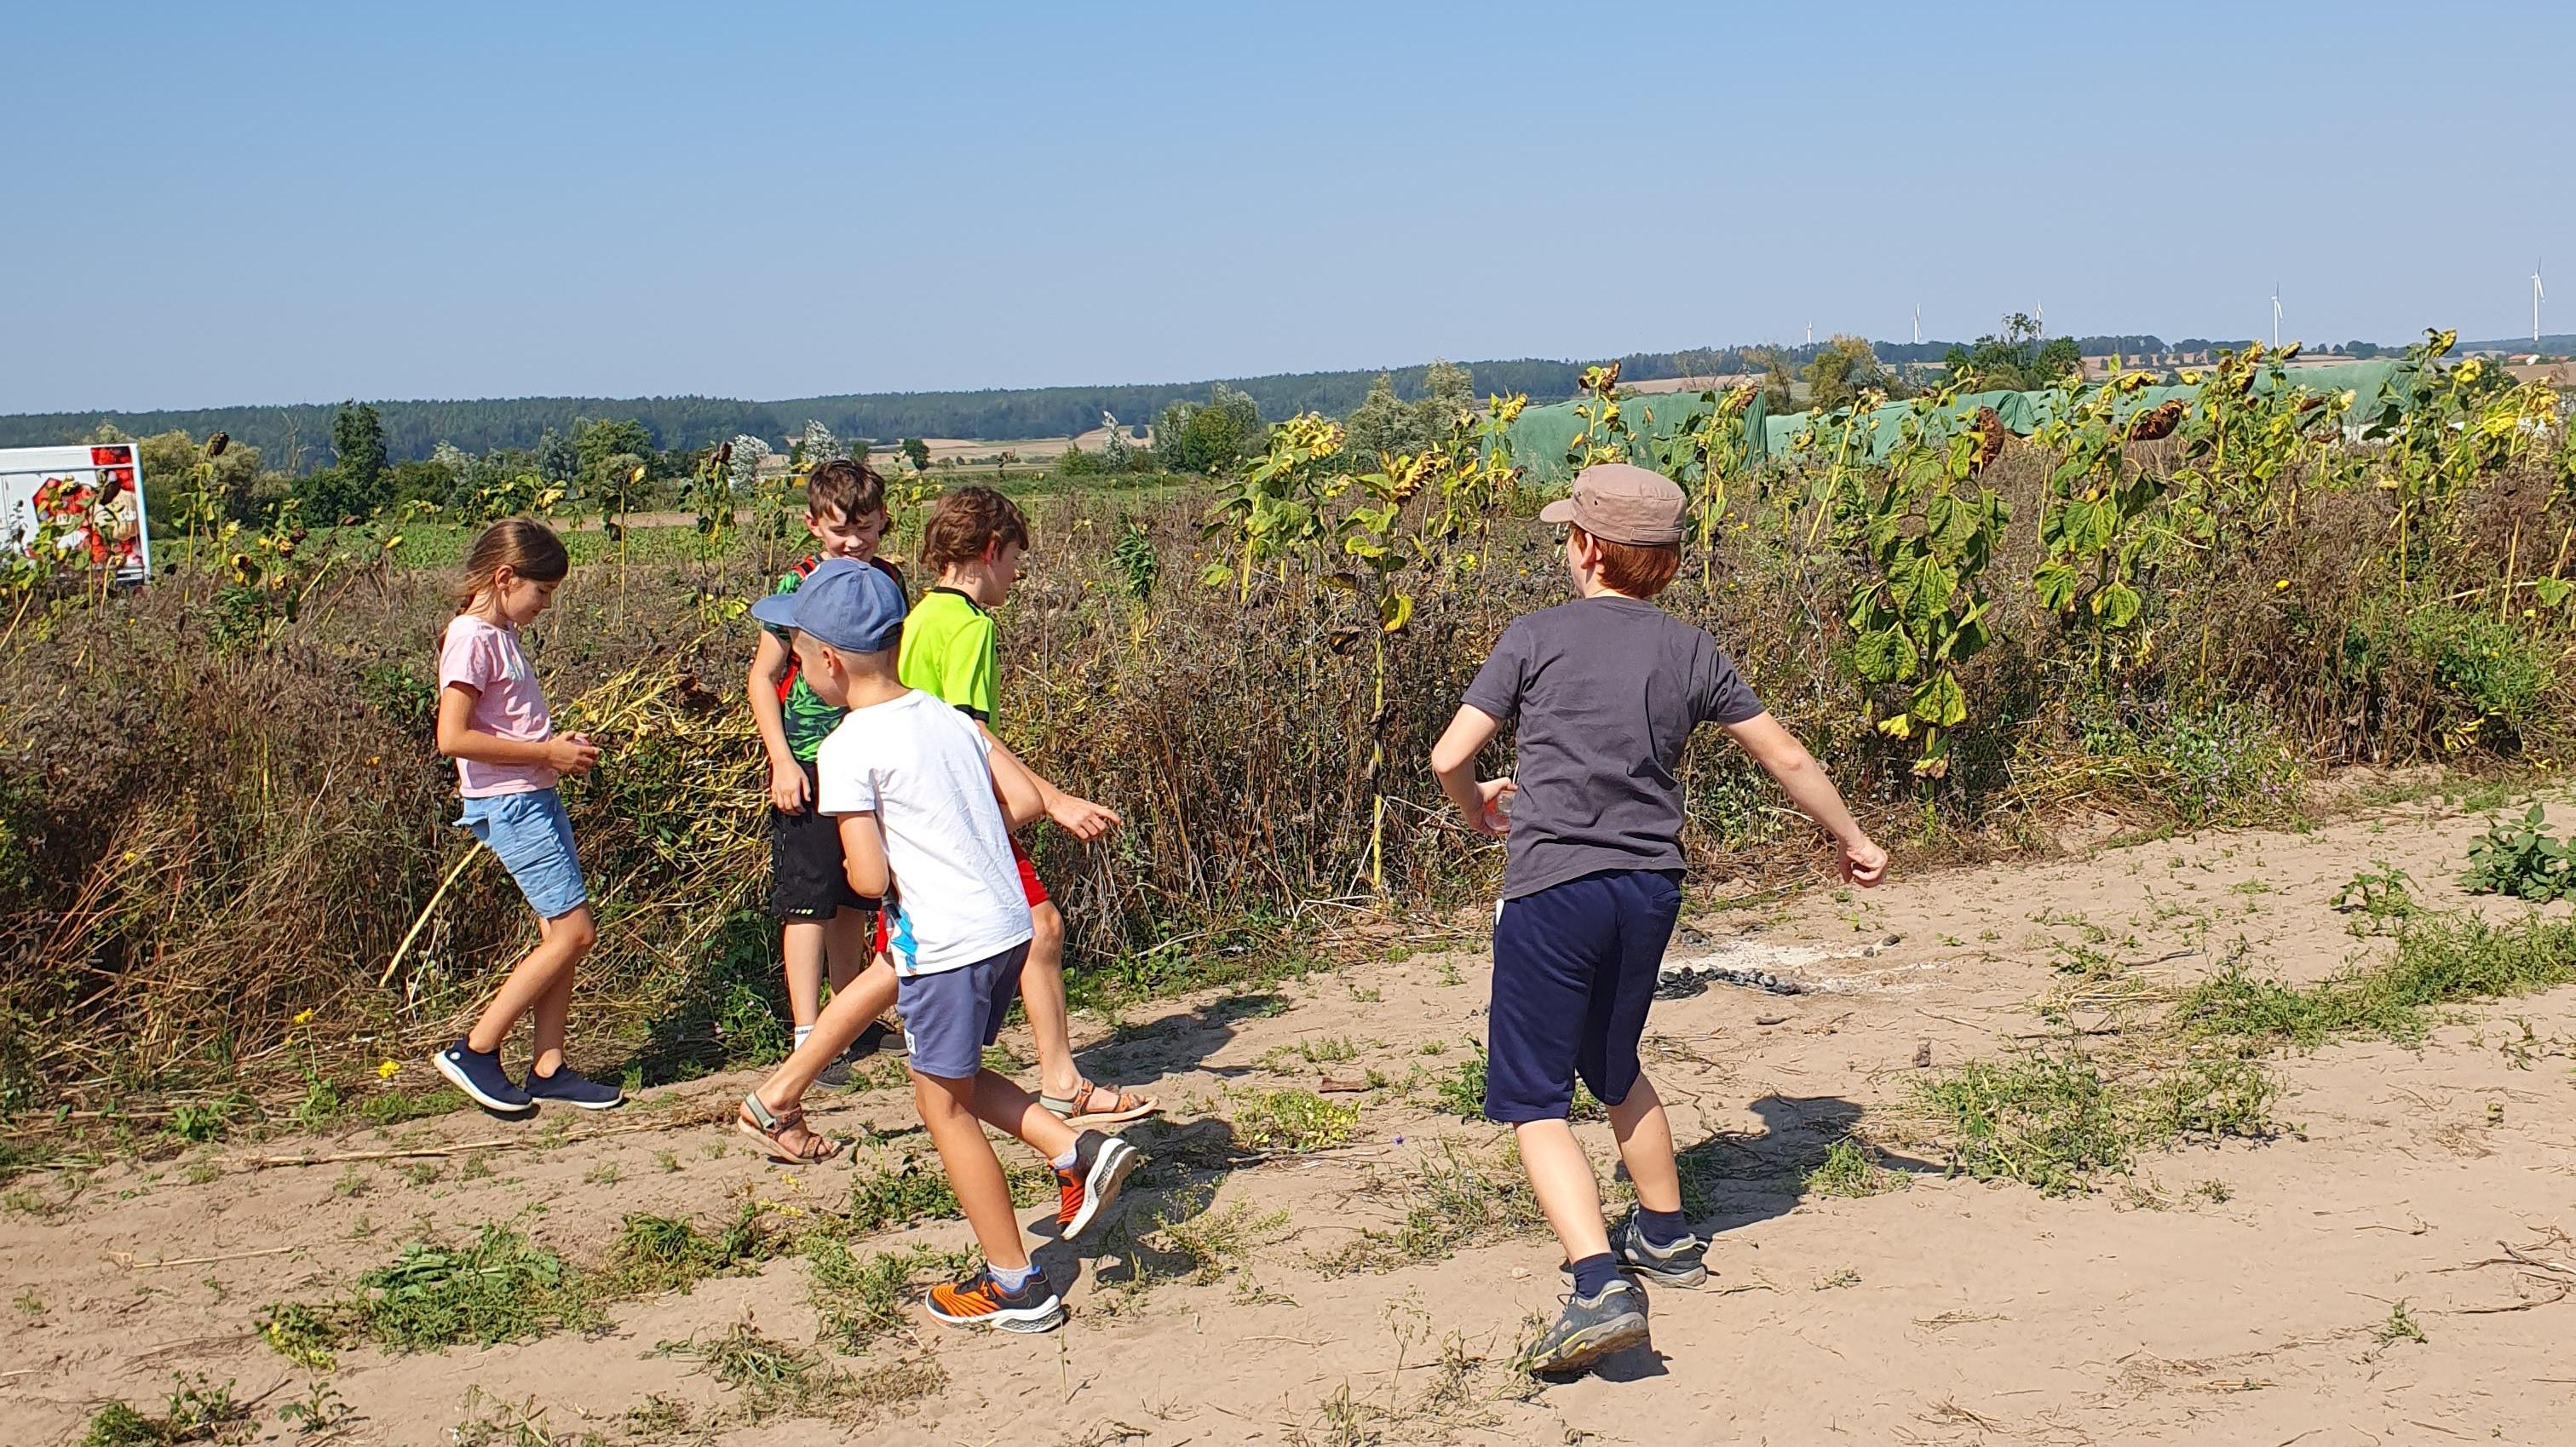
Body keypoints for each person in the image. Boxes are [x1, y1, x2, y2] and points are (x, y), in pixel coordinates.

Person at [1429, 463, 1888, 1374]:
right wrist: (1851, 835)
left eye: (1570, 532)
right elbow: (1785, 754)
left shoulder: (1535, 637)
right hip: (1649, 888)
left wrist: (1473, 801)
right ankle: (1668, 1235)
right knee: (1610, 1058)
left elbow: (1452, 752)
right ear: (1666, 562)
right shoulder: (1690, 649)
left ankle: (1597, 1281)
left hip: (1554, 885)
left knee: (1530, 1096)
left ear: (1591, 548)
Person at [734, 559, 1140, 1332]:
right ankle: (1072, 1152)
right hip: (1002, 929)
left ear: (824, 661)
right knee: (955, 1078)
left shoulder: (846, 749)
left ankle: (1016, 1283)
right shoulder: (949, 718)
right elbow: (1020, 800)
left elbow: (866, 872)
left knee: (940, 1105)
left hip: (942, 945)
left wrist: (883, 856)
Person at [900, 486, 1155, 1127]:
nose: (1017, 573)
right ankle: (1061, 1082)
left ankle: (1061, 1076)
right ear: (989, 551)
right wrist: (1051, 797)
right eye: (1015, 557)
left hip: (923, 801)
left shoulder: (919, 616)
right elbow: (967, 733)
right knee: (1036, 926)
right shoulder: (968, 626)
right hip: (957, 805)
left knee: (1035, 927)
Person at [429, 520, 625, 1116]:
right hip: (513, 802)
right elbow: (453, 736)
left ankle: (548, 1066)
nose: (545, 604)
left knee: (557, 938)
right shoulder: (471, 637)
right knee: (575, 933)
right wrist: (546, 754)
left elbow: (501, 724)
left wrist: (551, 742)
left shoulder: (501, 632)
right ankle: (476, 1049)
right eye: (541, 591)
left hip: (533, 793)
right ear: (505, 576)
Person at [746, 457, 905, 1086]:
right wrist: (780, 759)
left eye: (864, 528)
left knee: (853, 895)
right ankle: (808, 1033)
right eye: (840, 529)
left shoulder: (888, 581)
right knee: (806, 901)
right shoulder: (798, 584)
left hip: (866, 757)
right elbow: (762, 677)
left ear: (883, 522)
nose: (853, 542)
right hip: (807, 766)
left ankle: (853, 1017)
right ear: (813, 525)